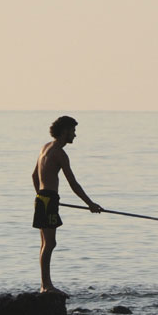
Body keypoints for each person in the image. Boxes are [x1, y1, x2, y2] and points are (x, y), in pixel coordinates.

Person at [32, 115, 103, 296]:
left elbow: (34, 176)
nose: (75, 135)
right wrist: (90, 204)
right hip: (47, 199)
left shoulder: (45, 148)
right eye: (73, 131)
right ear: (65, 131)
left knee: (45, 244)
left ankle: (44, 285)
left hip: (43, 198)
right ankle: (46, 286)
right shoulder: (60, 154)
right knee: (50, 243)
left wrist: (41, 195)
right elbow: (73, 183)